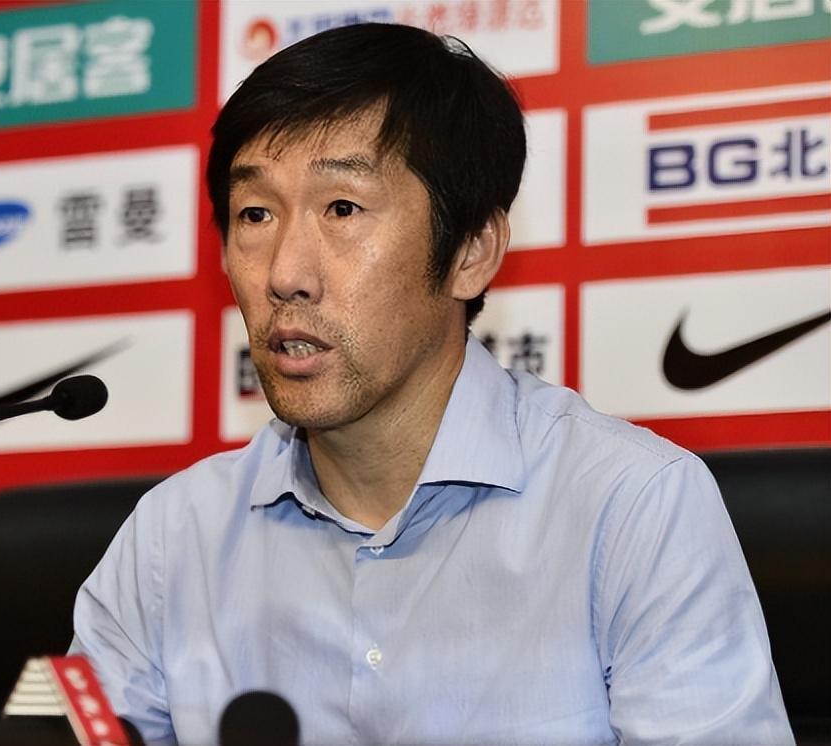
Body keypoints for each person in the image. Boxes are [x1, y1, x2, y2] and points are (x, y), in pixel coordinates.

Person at [71, 23, 792, 745]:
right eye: (254, 213)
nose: (285, 274)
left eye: (342, 209)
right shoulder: (172, 539)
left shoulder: (632, 509)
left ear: (471, 252)